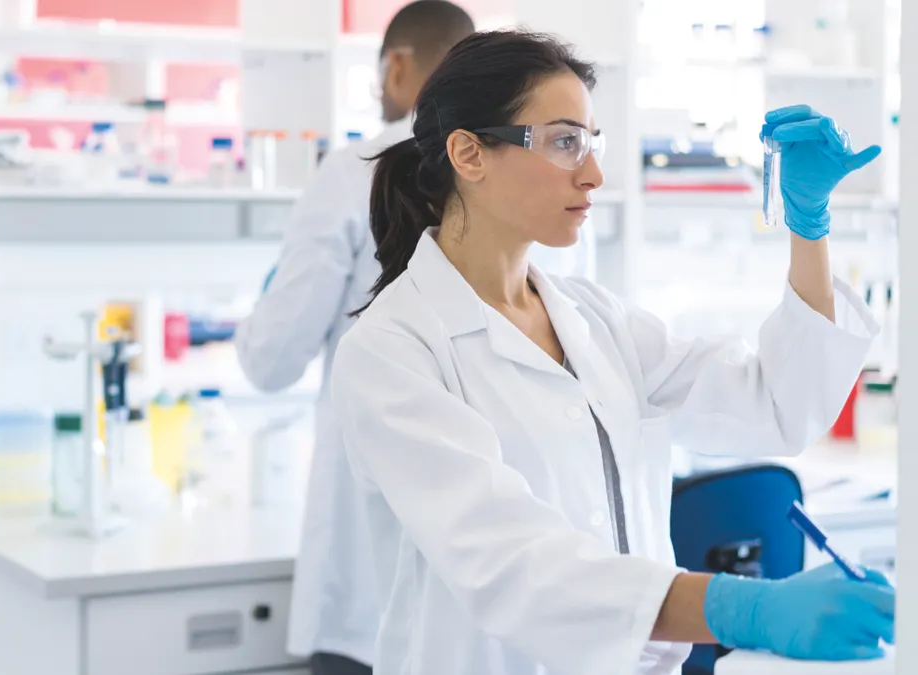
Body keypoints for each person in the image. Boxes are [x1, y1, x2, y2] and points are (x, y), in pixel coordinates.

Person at [330, 29, 893, 675]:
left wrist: (808, 224)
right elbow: (514, 565)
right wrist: (746, 607)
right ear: (469, 153)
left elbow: (775, 405)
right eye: (565, 141)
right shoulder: (393, 349)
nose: (593, 173)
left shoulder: (596, 319)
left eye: (591, 142)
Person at [234, 3, 475, 673]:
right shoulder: (520, 176)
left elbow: (271, 358)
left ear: (396, 66)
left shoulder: (353, 171)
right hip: (486, 577)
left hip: (367, 582)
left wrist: (255, 314)